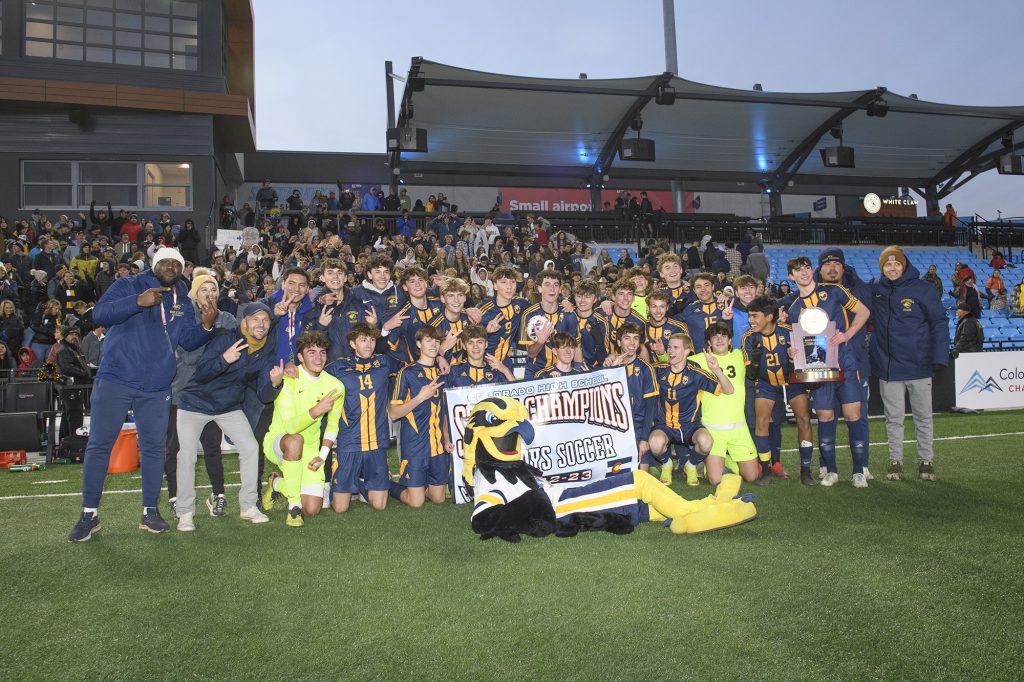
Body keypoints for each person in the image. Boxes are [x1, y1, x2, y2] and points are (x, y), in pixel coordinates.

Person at [68, 247, 216, 543]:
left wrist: (207, 325)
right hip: (116, 378)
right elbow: (100, 314)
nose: (171, 266)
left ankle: (150, 511)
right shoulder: (129, 284)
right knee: (99, 445)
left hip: (156, 386)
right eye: (166, 261)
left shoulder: (182, 302)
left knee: (152, 449)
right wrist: (136, 302)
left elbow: (186, 340)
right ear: (154, 264)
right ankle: (89, 514)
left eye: (177, 262)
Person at [173, 302, 280, 530]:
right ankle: (184, 512)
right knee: (187, 455)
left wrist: (274, 383)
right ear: (244, 322)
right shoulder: (225, 339)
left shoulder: (266, 348)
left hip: (228, 406)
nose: (260, 324)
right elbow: (201, 373)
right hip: (195, 403)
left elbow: (264, 393)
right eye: (255, 319)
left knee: (251, 447)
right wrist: (223, 360)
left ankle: (248, 506)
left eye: (265, 320)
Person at [786, 255, 870, 487]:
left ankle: (858, 471)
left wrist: (847, 334)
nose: (803, 273)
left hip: (846, 365)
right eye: (797, 270)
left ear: (811, 270)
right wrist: (794, 353)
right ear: (791, 277)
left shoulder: (834, 291)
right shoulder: (795, 310)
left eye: (806, 268)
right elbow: (798, 342)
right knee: (825, 417)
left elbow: (864, 312)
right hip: (819, 372)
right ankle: (831, 471)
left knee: (854, 416)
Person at [869, 246, 948, 483]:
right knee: (893, 419)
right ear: (882, 267)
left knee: (923, 417)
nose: (892, 268)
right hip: (889, 368)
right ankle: (896, 462)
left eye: (896, 264)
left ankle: (926, 461)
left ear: (904, 265)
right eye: (887, 264)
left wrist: (939, 357)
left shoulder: (923, 289)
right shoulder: (875, 289)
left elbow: (939, 322)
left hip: (919, 366)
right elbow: (850, 287)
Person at [260, 331, 345, 527]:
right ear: (300, 357)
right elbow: (290, 427)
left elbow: (333, 425)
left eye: (322, 352)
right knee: (295, 439)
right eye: (312, 352)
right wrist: (316, 410)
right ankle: (293, 507)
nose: (318, 358)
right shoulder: (288, 380)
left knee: (313, 509)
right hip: (280, 442)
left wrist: (322, 456)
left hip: (310, 449)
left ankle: (275, 483)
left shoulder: (335, 386)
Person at [742, 295, 817, 486]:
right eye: (750, 316)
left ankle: (806, 470)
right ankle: (766, 468)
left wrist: (793, 359)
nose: (751, 320)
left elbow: (805, 363)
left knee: (804, 420)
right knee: (762, 422)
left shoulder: (790, 332)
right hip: (766, 383)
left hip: (792, 383)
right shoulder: (748, 337)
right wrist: (756, 361)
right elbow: (750, 375)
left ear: (769, 317)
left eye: (755, 316)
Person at [647, 333, 732, 480]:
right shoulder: (658, 370)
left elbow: (729, 390)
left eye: (675, 347)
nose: (670, 351)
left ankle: (691, 465)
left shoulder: (696, 373)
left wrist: (717, 370)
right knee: (654, 443)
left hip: (690, 426)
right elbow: (636, 371)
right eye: (669, 347)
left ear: (687, 351)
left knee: (706, 442)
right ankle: (667, 464)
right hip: (665, 426)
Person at [689, 323, 758, 484]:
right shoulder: (699, 360)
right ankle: (717, 463)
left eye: (723, 336)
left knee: (752, 477)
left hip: (739, 427)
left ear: (729, 341)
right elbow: (675, 361)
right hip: (713, 429)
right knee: (715, 480)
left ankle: (727, 461)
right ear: (709, 343)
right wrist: (663, 354)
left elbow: (759, 336)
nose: (719, 340)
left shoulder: (739, 355)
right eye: (715, 337)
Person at [388, 326, 448, 508]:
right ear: (418, 344)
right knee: (416, 502)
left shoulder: (443, 372)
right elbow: (393, 413)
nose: (434, 345)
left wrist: (446, 438)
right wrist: (420, 397)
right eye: (429, 340)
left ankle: (419, 487)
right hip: (414, 445)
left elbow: (444, 411)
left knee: (439, 498)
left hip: (437, 446)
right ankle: (389, 484)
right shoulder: (406, 373)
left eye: (437, 341)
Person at [518, 269, 581, 379]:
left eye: (556, 285)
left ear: (560, 289)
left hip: (563, 372)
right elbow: (531, 353)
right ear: (539, 288)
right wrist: (540, 341)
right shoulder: (529, 315)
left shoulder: (569, 314)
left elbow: (576, 348)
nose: (552, 289)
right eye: (547, 285)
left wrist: (579, 371)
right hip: (535, 372)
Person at [446, 324, 515, 387]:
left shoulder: (495, 371)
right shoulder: (454, 370)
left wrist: (505, 370)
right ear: (464, 346)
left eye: (480, 342)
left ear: (486, 344)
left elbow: (516, 392)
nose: (475, 346)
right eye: (470, 343)